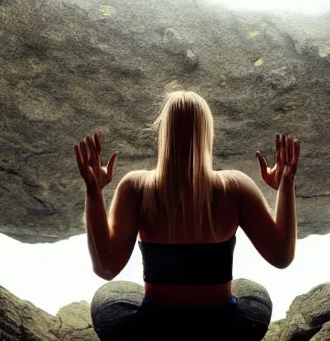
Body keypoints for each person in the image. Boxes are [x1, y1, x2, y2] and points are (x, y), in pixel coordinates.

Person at [73, 91, 300, 341]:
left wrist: (93, 191)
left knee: (111, 294)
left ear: (163, 134)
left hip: (155, 329)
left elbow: (106, 268)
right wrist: (286, 184)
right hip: (223, 330)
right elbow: (281, 257)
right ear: (207, 134)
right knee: (254, 293)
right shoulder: (235, 187)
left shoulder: (135, 187)